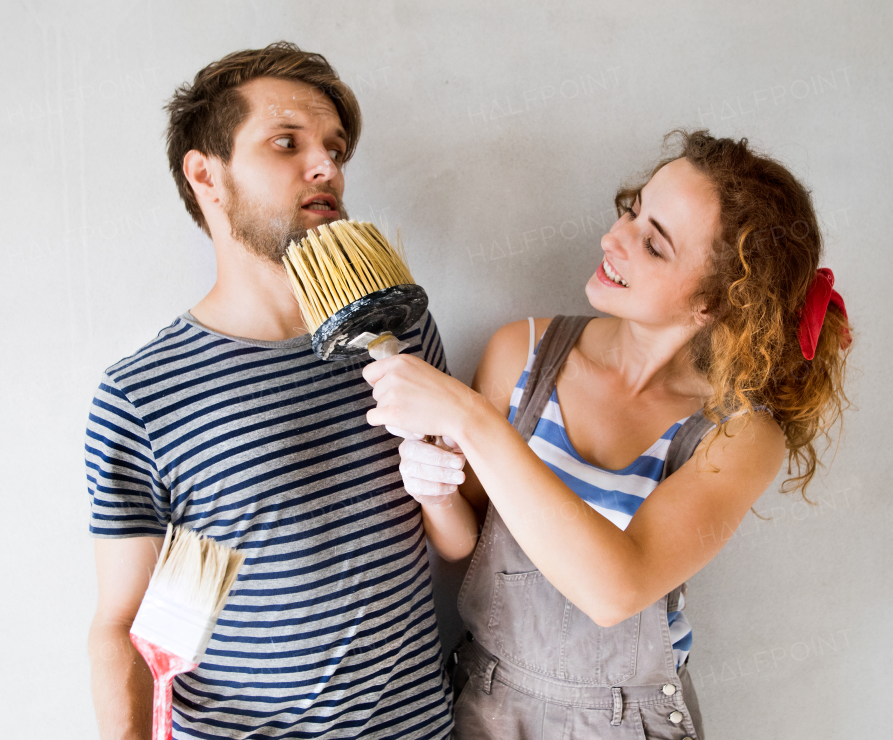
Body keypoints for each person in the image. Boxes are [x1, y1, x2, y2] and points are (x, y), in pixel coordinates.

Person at [362, 130, 853, 739]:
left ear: (713, 303)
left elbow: (615, 589)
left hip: (626, 721)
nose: (612, 239)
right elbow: (464, 544)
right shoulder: (524, 351)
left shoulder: (739, 437)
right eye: (632, 210)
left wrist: (470, 420)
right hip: (484, 701)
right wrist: (435, 491)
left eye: (652, 243)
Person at [84, 42, 453, 740]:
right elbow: (119, 625)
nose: (327, 167)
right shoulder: (141, 395)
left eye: (334, 149)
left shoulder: (398, 333)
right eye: (286, 143)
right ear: (207, 175)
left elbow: (463, 524)